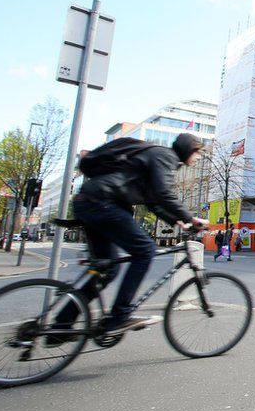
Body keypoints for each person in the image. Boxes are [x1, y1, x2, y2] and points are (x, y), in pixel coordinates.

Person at [50, 133, 208, 343]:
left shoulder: (158, 157)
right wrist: (189, 216)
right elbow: (163, 193)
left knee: (106, 270)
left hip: (90, 202)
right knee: (145, 251)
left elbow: (152, 201)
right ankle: (119, 317)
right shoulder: (165, 157)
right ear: (188, 149)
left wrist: (176, 220)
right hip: (102, 203)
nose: (198, 158)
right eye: (197, 152)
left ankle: (60, 327)